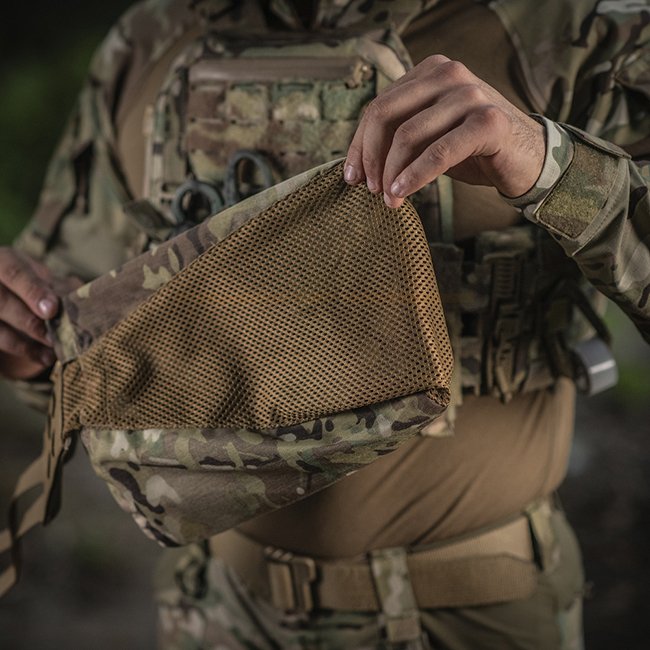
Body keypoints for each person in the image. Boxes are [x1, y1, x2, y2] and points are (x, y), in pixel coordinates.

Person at [1, 1, 649, 648]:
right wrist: (31, 346)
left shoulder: (574, 26)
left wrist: (548, 164)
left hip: (473, 616)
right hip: (216, 612)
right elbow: (78, 347)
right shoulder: (149, 39)